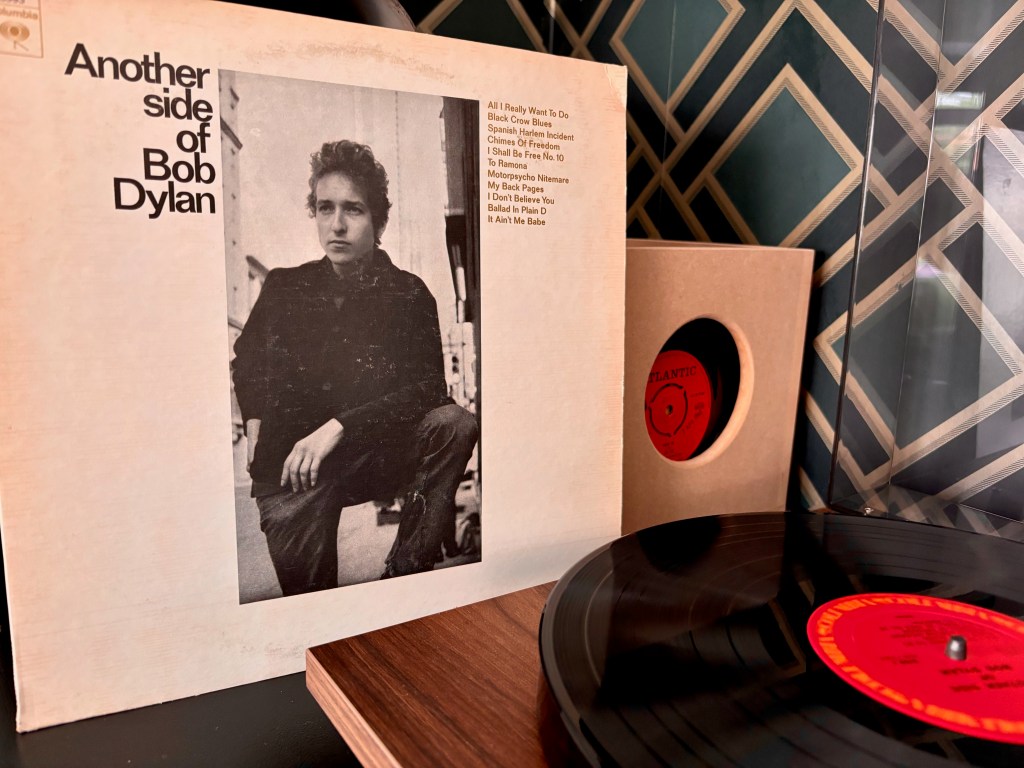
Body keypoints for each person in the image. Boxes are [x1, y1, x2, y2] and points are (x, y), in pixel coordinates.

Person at [232, 139, 478, 596]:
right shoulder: (285, 287)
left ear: (378, 221)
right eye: (325, 208)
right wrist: (254, 419)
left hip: (374, 455)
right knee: (311, 608)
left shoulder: (409, 294)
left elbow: (428, 389)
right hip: (294, 468)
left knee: (455, 424)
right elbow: (247, 357)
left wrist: (339, 427)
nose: (337, 225)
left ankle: (402, 577)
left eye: (354, 209)